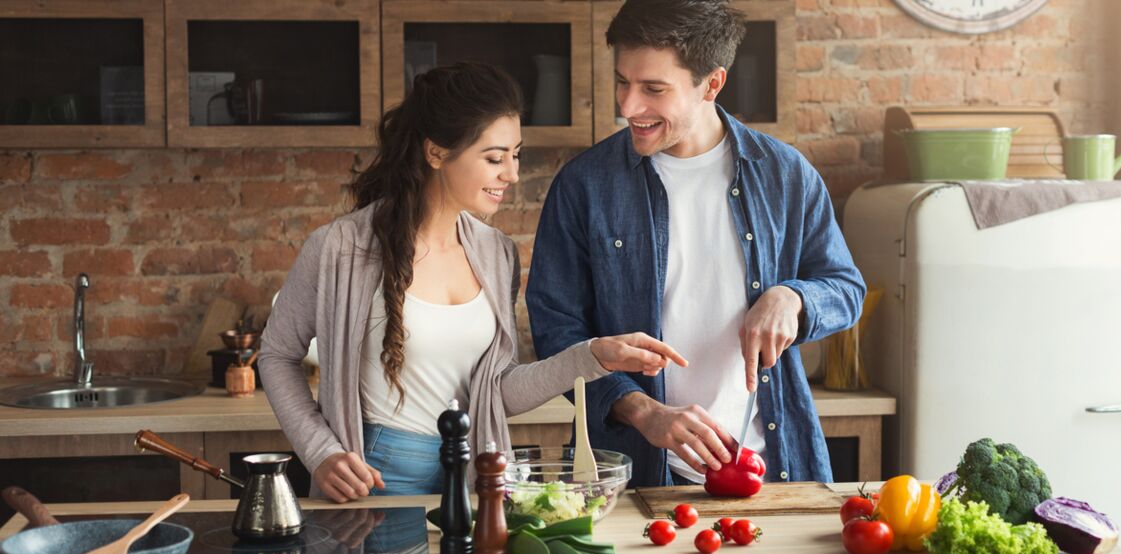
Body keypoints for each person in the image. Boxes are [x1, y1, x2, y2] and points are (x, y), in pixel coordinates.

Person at [259, 63, 686, 502]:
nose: (512, 174)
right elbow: (276, 355)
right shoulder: (340, 248)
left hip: (475, 477)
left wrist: (593, 356)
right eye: (494, 158)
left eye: (515, 155)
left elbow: (496, 392)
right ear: (437, 153)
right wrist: (320, 451)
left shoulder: (496, 253)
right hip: (376, 477)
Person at [526, 0, 866, 488]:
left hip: (772, 468)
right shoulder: (584, 186)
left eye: (654, 89)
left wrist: (791, 297)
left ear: (712, 84)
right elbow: (558, 333)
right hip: (639, 477)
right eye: (623, 81)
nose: (627, 107)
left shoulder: (785, 175)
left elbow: (845, 288)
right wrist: (644, 411)